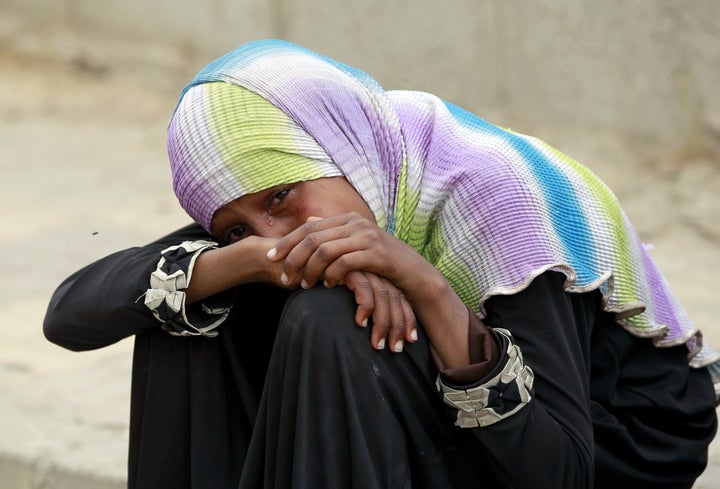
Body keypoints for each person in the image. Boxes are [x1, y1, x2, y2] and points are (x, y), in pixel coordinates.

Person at [44, 39, 719, 489]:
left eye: (282, 197)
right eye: (240, 224)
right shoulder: (316, 170)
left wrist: (427, 287)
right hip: (496, 442)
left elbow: (562, 471)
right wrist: (241, 261)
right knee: (191, 304)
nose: (279, 234)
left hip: (610, 443)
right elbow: (70, 313)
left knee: (325, 319)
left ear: (334, 147)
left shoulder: (494, 198)